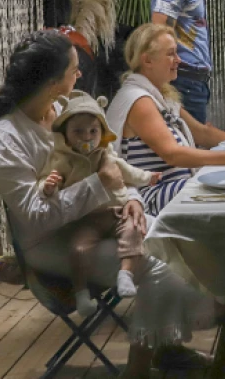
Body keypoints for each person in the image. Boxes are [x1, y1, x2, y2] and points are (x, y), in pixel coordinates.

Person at [0, 30, 214, 375]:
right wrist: (98, 185)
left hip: (104, 218)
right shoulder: (4, 138)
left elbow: (110, 161)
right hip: (52, 242)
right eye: (74, 70)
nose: (79, 76)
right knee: (157, 269)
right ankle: (139, 370)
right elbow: (37, 216)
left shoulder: (65, 108)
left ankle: (167, 348)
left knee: (175, 240)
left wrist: (131, 198)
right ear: (51, 80)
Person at [106, 23, 225, 216]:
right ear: (147, 61)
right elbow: (173, 154)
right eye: (171, 54)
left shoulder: (161, 96)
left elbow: (203, 133)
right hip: (151, 195)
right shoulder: (139, 100)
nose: (178, 60)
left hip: (174, 186)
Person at [39, 90, 160, 315]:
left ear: (102, 133)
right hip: (86, 218)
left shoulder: (105, 154)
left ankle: (126, 273)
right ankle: (81, 293)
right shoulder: (62, 160)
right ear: (65, 135)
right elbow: (47, 182)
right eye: (78, 132)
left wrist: (146, 178)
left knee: (133, 231)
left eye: (93, 131)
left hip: (114, 213)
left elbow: (127, 172)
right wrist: (48, 186)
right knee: (79, 248)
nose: (87, 137)